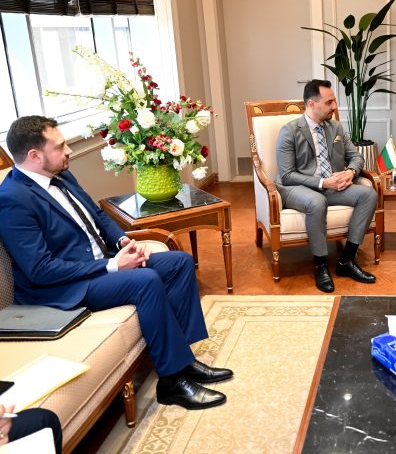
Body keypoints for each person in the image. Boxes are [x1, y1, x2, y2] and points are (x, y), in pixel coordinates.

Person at [0, 116, 233, 411]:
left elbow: (97, 216)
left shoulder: (61, 175)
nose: (68, 151)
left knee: (179, 263)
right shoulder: (12, 199)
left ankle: (183, 361)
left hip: (99, 264)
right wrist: (112, 266)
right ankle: (172, 383)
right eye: (59, 147)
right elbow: (40, 269)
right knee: (145, 281)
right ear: (34, 156)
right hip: (64, 286)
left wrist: (123, 242)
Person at [275, 79, 378, 293]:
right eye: (329, 102)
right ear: (312, 104)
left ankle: (346, 261)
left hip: (332, 187)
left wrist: (350, 172)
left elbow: (356, 157)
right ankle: (320, 265)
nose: (335, 106)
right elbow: (287, 175)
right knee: (317, 201)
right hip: (298, 188)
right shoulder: (289, 131)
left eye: (334, 101)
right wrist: (323, 182)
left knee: (368, 194)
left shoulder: (335, 127)